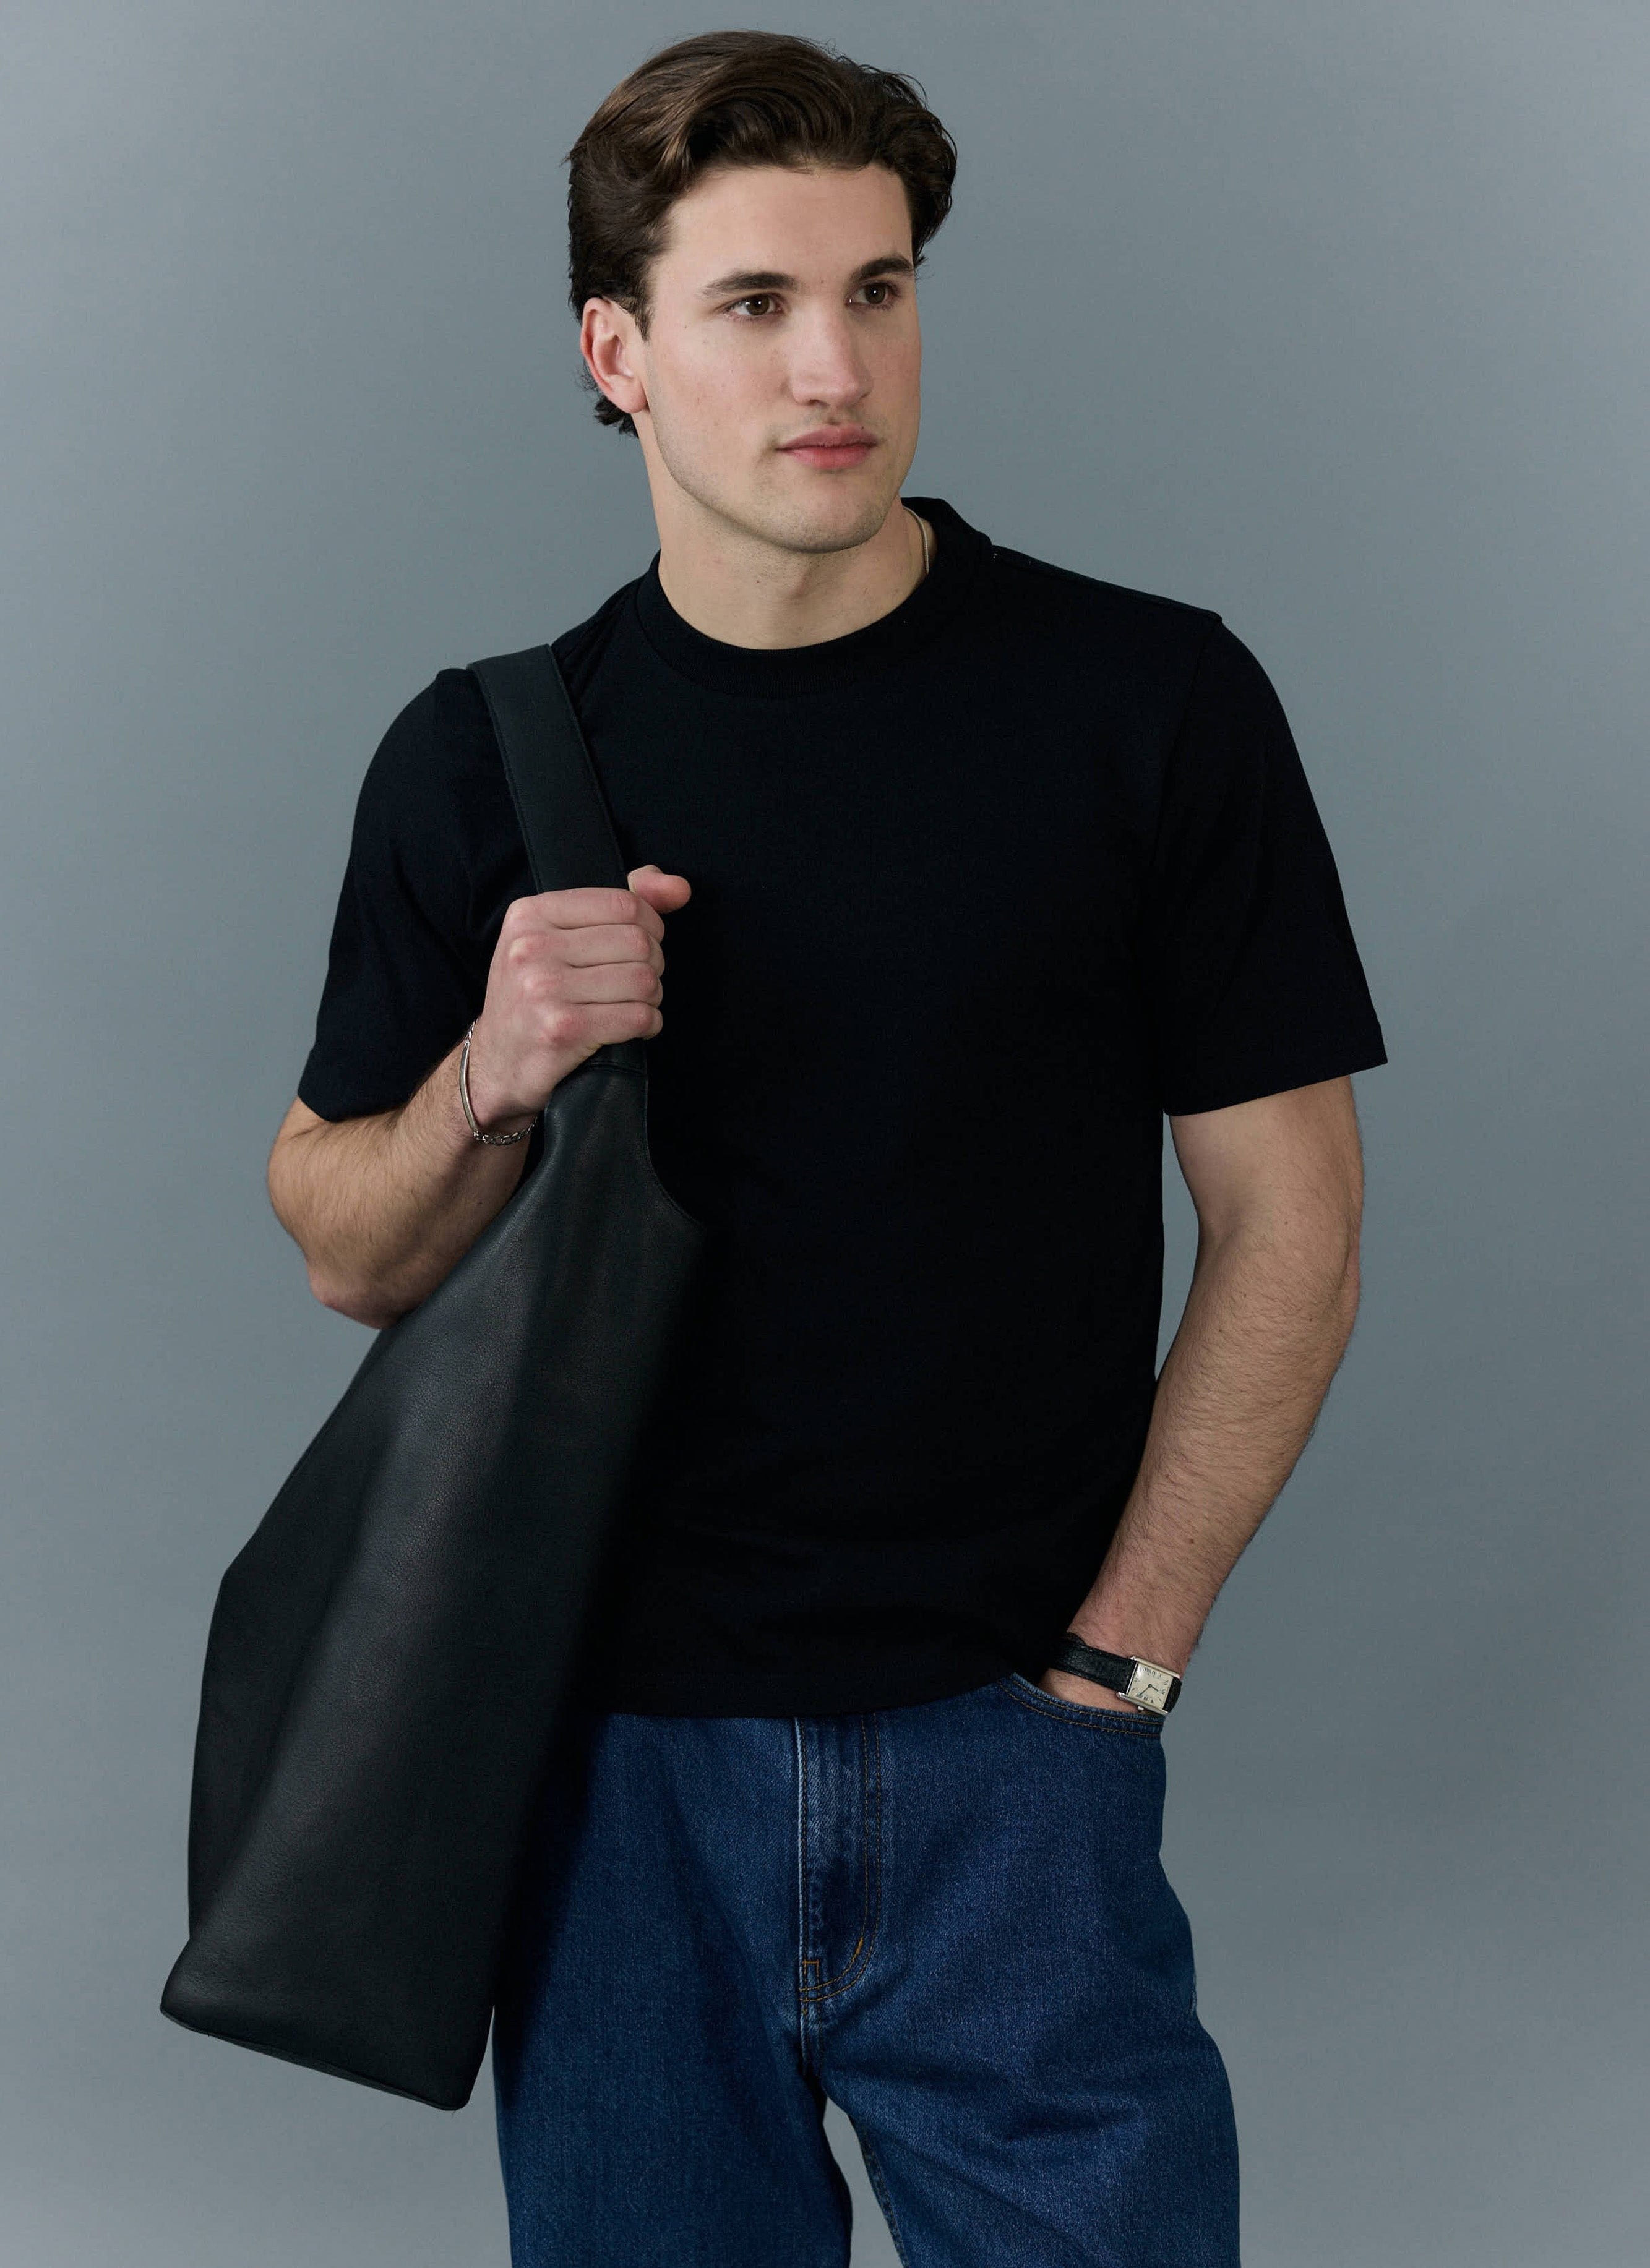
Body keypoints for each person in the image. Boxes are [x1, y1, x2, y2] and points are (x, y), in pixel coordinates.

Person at [268, 28, 1386, 2268]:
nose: (834, 365)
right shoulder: (488, 758)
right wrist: (491, 1066)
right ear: (618, 353)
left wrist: (1115, 1673)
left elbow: (1289, 1219)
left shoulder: (1146, 704)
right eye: (753, 306)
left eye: (876, 292)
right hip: (603, 1784)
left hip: (1014, 1756)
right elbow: (340, 1241)